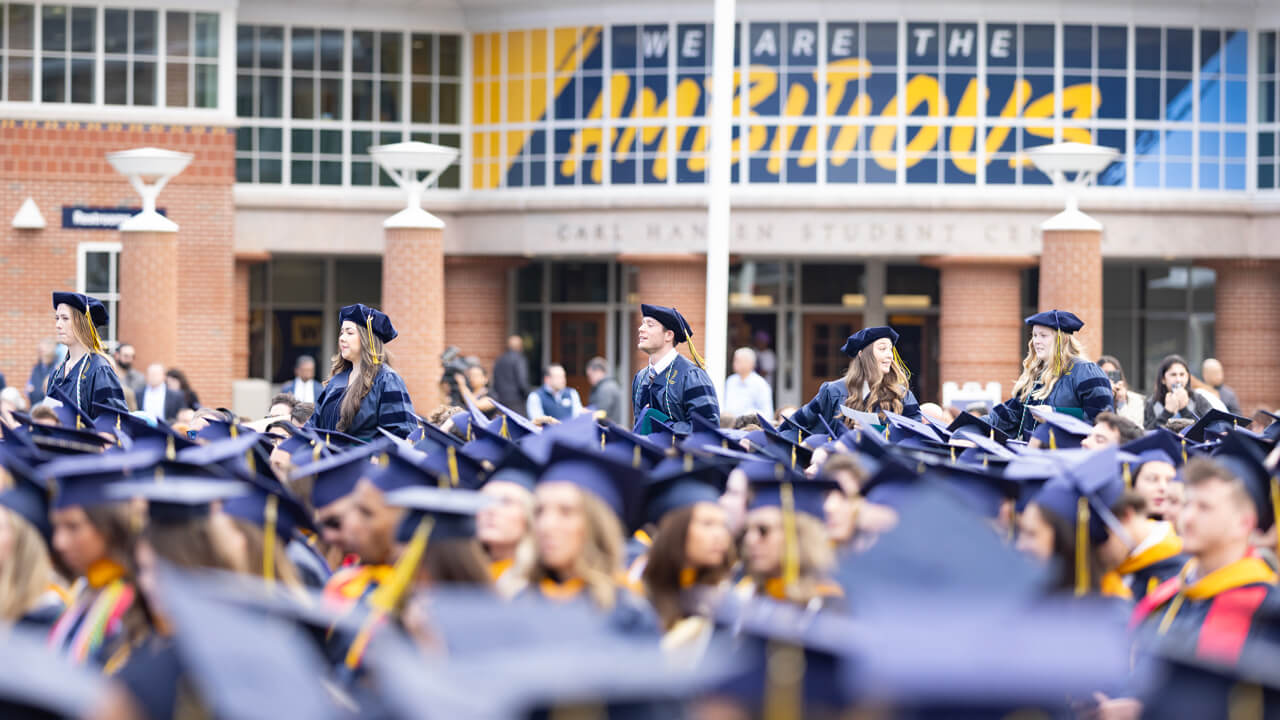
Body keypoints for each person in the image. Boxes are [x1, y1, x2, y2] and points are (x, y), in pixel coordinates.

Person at [1131, 441, 1277, 666]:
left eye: (1205, 507)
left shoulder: (1268, 614)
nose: (1186, 517)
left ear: (1244, 523)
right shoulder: (1168, 594)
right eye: (1187, 504)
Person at [512, 444, 658, 635]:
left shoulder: (629, 615)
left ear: (596, 524)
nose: (546, 525)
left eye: (566, 511)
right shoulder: (519, 604)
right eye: (539, 511)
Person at [1014, 449, 1128, 598]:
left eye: (1031, 534)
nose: (1019, 545)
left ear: (1065, 541)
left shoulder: (1113, 612)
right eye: (1020, 531)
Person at [985, 310, 1113, 440]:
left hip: (1073, 455)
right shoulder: (1036, 377)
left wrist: (1055, 414)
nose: (1036, 341)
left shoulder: (1085, 372)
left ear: (1063, 340)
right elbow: (1009, 415)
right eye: (1034, 335)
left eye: (1043, 335)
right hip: (1035, 456)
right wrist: (973, 425)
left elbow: (1103, 419)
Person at [737, 461, 843, 608]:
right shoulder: (743, 594)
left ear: (799, 535)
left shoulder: (829, 608)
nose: (750, 540)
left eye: (763, 530)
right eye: (747, 530)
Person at [306, 303, 416, 440]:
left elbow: (400, 434)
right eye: (341, 332)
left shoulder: (386, 380)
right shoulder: (336, 381)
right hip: (329, 459)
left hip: (365, 460)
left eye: (349, 333)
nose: (342, 338)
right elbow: (313, 426)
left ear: (367, 339)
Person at [790, 326, 922, 435]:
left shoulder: (901, 395)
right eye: (882, 349)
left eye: (890, 349)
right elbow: (796, 426)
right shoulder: (834, 391)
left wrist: (878, 430)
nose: (889, 355)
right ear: (862, 354)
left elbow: (915, 437)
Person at [632, 304, 719, 436]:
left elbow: (707, 429)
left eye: (650, 325)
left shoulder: (691, 376)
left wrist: (664, 428)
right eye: (642, 323)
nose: (641, 329)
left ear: (668, 335)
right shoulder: (641, 378)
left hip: (682, 455)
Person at [46, 292, 127, 421]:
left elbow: (112, 423)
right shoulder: (57, 373)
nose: (58, 325)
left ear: (83, 324)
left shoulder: (99, 369)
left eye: (65, 318)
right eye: (57, 318)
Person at [1110, 491, 1186, 603]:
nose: (1098, 552)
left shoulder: (1178, 571)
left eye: (1102, 538)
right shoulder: (1123, 565)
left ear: (1127, 516)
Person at [1144, 354, 1213, 430]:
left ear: (1187, 377)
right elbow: (1148, 434)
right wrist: (1167, 412)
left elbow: (1209, 428)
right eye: (1173, 375)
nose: (1178, 380)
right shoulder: (1153, 402)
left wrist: (1184, 410)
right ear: (1163, 379)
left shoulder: (1198, 399)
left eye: (1182, 374)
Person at [721, 347, 774, 421]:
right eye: (734, 360)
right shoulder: (730, 381)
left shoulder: (760, 384)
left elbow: (767, 414)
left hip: (748, 429)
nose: (734, 364)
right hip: (729, 426)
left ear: (750, 363)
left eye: (737, 360)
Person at [1097, 355, 1145, 428]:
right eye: (1104, 373)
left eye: (1111, 374)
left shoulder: (1135, 399)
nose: (1108, 378)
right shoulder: (1093, 396)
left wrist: (1122, 402)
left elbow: (1135, 428)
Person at [491, 335, 531, 414]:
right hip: (516, 401)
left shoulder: (500, 359)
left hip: (501, 399)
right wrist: (528, 395)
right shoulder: (519, 359)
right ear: (520, 346)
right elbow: (522, 381)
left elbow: (494, 379)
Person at [585, 356, 623, 423]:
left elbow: (601, 412)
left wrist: (585, 412)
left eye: (590, 375)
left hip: (606, 431)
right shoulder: (607, 385)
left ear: (598, 371)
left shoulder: (606, 388)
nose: (589, 380)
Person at [25, 338, 59, 406]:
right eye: (40, 351)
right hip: (35, 404)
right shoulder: (36, 368)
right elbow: (28, 390)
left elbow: (52, 392)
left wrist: (36, 391)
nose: (42, 353)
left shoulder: (57, 367)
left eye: (44, 351)